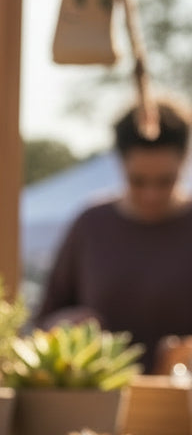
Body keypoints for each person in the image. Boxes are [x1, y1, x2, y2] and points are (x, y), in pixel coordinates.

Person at [36, 98, 192, 370]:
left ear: (184, 161)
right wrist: (64, 323)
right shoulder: (91, 225)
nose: (151, 195)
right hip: (99, 402)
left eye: (165, 181)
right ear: (120, 164)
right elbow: (43, 321)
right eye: (138, 181)